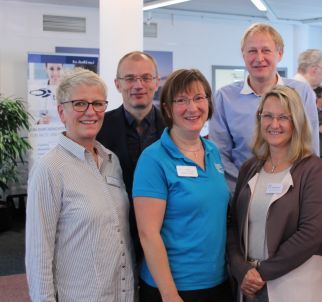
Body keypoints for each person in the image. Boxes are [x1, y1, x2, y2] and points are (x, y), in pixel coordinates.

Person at [25, 68, 134, 301]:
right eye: (79, 104)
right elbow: (38, 253)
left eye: (97, 104)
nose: (90, 112)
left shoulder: (111, 161)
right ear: (61, 112)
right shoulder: (50, 169)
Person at [132, 69, 233, 302]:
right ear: (167, 108)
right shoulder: (154, 159)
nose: (192, 107)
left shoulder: (213, 152)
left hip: (217, 281)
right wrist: (169, 294)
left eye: (199, 98)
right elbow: (148, 233)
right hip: (174, 288)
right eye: (181, 100)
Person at [228, 85, 322, 302]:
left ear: (296, 121)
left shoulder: (313, 169)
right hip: (251, 286)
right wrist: (242, 270)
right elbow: (234, 226)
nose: (274, 124)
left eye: (283, 117)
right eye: (268, 116)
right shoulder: (250, 167)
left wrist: (262, 272)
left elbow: (311, 233)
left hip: (295, 285)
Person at [210, 23, 319, 191]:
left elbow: (309, 148)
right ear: (243, 55)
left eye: (266, 50)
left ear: (279, 54)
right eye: (252, 51)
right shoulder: (224, 98)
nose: (259, 58)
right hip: (241, 193)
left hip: (291, 192)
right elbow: (220, 156)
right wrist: (247, 190)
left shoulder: (301, 92)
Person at [97, 51, 165, 263]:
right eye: (130, 78)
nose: (138, 85)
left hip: (165, 233)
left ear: (156, 82)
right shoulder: (99, 129)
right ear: (118, 84)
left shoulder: (175, 128)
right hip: (113, 235)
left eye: (146, 78)